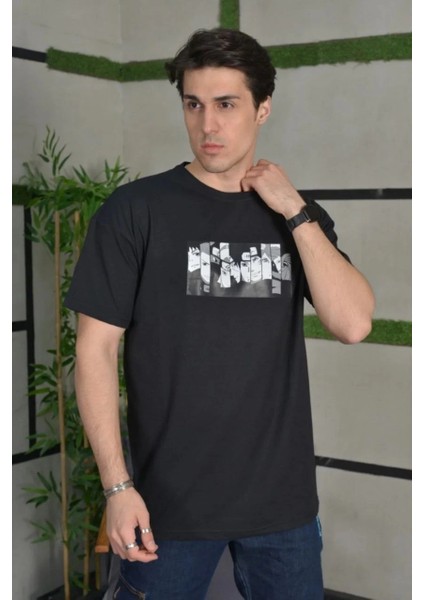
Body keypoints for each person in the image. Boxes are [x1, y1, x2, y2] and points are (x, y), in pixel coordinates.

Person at [65, 27, 375, 600]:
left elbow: (353, 323)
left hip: (282, 510)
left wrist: (293, 209)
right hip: (166, 508)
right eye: (194, 104)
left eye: (226, 105)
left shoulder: (296, 216)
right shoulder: (135, 211)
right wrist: (117, 488)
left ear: (262, 109)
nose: (208, 125)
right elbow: (95, 350)